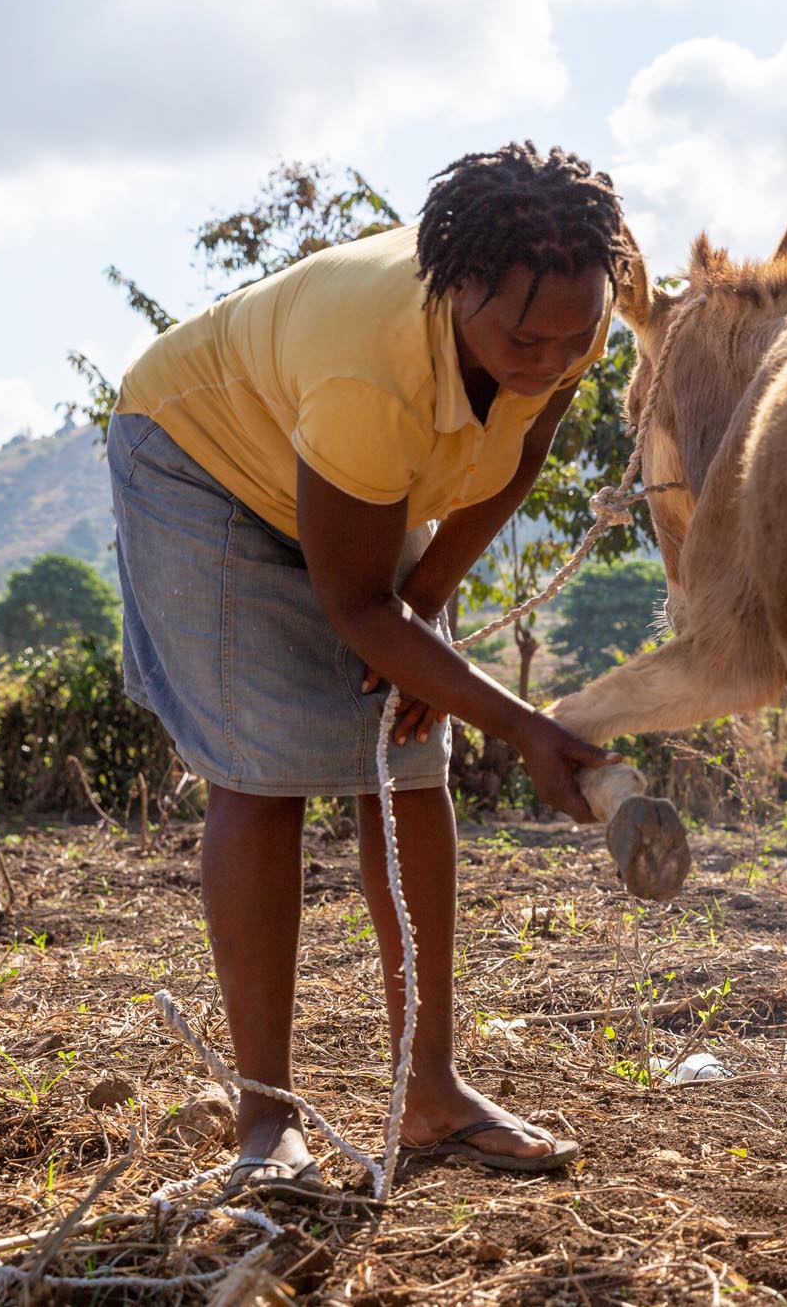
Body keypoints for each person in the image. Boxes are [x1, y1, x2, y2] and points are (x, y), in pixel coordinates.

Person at [108, 142, 629, 1186]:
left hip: (350, 479)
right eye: (523, 336)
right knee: (265, 774)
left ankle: (429, 1092)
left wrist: (424, 609)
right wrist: (523, 724)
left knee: (404, 761)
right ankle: (265, 1118)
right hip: (203, 457)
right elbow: (352, 603)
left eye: (574, 336)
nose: (549, 356)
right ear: (456, 287)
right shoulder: (370, 370)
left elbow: (517, 450)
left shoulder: (571, 300)